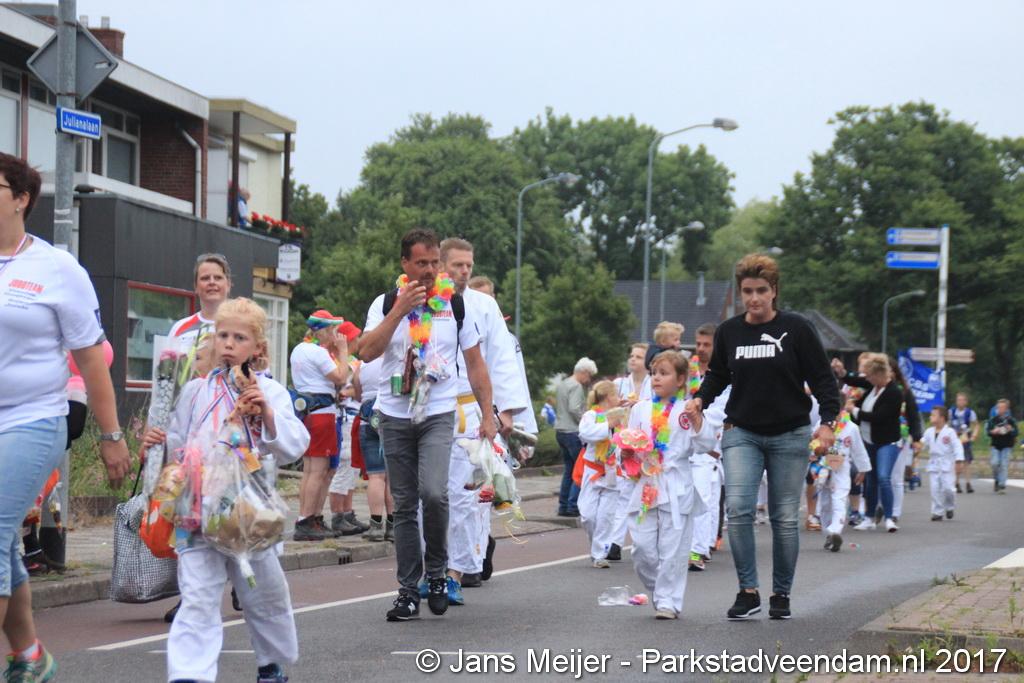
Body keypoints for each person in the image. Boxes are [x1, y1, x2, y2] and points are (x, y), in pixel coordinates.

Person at [0, 152, 131, 680]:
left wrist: (112, 434)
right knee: (4, 542)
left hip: (32, 419)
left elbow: (92, 358)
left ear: (21, 199)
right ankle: (29, 655)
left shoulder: (56, 268)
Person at [142, 298, 309, 683]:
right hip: (197, 509)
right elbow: (180, 442)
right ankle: (190, 674)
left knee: (263, 593)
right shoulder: (195, 391)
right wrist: (157, 444)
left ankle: (271, 662)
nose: (229, 344)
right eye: (223, 335)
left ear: (258, 347)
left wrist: (266, 412)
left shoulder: (269, 391)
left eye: (239, 338)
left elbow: (294, 445)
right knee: (198, 594)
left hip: (248, 511)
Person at [688, 253, 839, 622]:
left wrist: (828, 422)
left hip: (790, 433)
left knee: (784, 517)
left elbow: (822, 378)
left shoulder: (797, 329)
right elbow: (718, 375)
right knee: (739, 509)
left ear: (774, 291)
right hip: (742, 432)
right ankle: (748, 591)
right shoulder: (730, 332)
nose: (753, 298)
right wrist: (700, 400)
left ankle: (781, 593)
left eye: (760, 291)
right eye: (747, 291)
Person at [358, 228, 495, 622]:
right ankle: (407, 590)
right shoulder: (385, 303)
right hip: (395, 414)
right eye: (422, 263)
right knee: (404, 505)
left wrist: (488, 415)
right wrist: (399, 310)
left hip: (437, 411)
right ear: (405, 263)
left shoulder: (455, 304)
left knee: (434, 493)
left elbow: (475, 365)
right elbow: (365, 352)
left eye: (435, 263)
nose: (431, 270)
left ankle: (437, 574)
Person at [437, 238, 525, 602]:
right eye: (456, 265)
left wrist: (505, 410)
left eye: (468, 266)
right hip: (430, 408)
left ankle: (456, 571)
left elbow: (502, 358)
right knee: (431, 495)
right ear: (440, 265)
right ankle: (433, 567)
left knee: (466, 496)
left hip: (471, 410)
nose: (464, 272)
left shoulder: (484, 305)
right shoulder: (425, 303)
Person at [625, 351, 715, 619]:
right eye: (654, 373)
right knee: (642, 549)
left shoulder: (687, 411)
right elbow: (629, 445)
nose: (656, 378)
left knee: (672, 549)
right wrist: (626, 454)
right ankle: (660, 591)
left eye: (664, 373)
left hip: (676, 486)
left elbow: (706, 445)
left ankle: (668, 602)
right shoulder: (640, 409)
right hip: (646, 485)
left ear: (681, 379)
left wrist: (698, 422)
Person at [290, 311, 349, 540]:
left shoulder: (299, 349)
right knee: (317, 471)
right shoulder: (318, 352)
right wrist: (343, 352)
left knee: (310, 471)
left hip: (308, 413)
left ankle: (310, 517)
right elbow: (341, 377)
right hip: (322, 414)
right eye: (333, 331)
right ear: (324, 331)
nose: (336, 335)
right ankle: (306, 519)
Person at [844, 355, 904, 533]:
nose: (867, 379)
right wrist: (842, 373)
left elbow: (878, 417)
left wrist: (854, 409)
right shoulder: (873, 387)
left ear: (878, 375)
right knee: (870, 479)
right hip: (869, 440)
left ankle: (889, 518)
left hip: (887, 441)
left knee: (884, 477)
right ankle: (869, 517)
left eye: (869, 376)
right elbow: (856, 382)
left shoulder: (894, 393)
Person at [687, 322, 728, 572]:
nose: (701, 349)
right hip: (683, 446)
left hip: (709, 448)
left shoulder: (726, 378)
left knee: (703, 499)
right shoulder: (686, 374)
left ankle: (698, 550)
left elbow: (722, 413)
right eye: (698, 344)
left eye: (707, 344)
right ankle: (688, 546)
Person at [326, 323, 371, 537]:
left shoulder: (351, 361)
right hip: (345, 417)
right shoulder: (339, 362)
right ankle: (338, 515)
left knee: (353, 467)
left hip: (354, 415)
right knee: (344, 465)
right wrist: (355, 388)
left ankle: (347, 511)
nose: (358, 341)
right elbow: (344, 390)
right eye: (355, 337)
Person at [577, 380, 626, 568]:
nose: (619, 398)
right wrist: (608, 424)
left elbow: (628, 437)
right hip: (593, 471)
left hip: (613, 472)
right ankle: (595, 545)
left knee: (606, 517)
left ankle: (599, 555)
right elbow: (585, 434)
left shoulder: (622, 416)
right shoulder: (591, 416)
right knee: (588, 515)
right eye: (616, 394)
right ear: (608, 397)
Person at [810, 408, 869, 552]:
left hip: (842, 468)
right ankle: (828, 534)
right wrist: (815, 452)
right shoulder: (821, 425)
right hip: (823, 469)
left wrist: (863, 469)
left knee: (840, 499)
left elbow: (859, 450)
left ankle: (835, 531)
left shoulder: (851, 427)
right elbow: (813, 444)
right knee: (825, 504)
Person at [352, 357, 394, 540]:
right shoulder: (396, 358)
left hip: (367, 419)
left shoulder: (363, 364)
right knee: (392, 478)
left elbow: (357, 393)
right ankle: (393, 526)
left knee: (376, 476)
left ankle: (375, 526)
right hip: (391, 416)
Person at [554, 357, 597, 517]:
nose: (589, 379)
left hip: (560, 430)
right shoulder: (576, 386)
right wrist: (585, 421)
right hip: (572, 432)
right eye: (589, 375)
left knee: (568, 469)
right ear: (584, 372)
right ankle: (573, 506)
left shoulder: (563, 384)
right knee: (580, 469)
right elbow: (574, 408)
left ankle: (563, 505)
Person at [922, 406, 964, 521]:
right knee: (935, 489)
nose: (930, 417)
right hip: (934, 463)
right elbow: (923, 444)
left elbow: (957, 446)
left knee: (948, 489)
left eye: (933, 415)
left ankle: (949, 506)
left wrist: (959, 460)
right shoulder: (929, 432)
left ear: (942, 418)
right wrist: (916, 447)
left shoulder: (950, 432)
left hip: (947, 464)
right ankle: (937, 512)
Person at [950, 392, 979, 494]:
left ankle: (968, 483)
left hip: (965, 438)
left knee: (967, 461)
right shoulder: (951, 412)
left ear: (966, 402)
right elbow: (947, 424)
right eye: (959, 400)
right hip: (954, 438)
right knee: (957, 461)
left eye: (962, 400)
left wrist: (974, 435)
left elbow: (976, 425)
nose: (960, 402)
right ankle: (956, 483)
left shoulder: (970, 412)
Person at [986, 399, 1018, 493]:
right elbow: (988, 432)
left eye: (1003, 407)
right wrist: (993, 431)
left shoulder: (1011, 420)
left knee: (1004, 464)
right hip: (995, 445)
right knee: (995, 463)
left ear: (1007, 409)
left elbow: (1016, 432)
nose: (1000, 409)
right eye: (999, 407)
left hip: (1007, 445)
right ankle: (997, 479)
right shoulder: (993, 420)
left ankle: (1002, 484)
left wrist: (1011, 429)